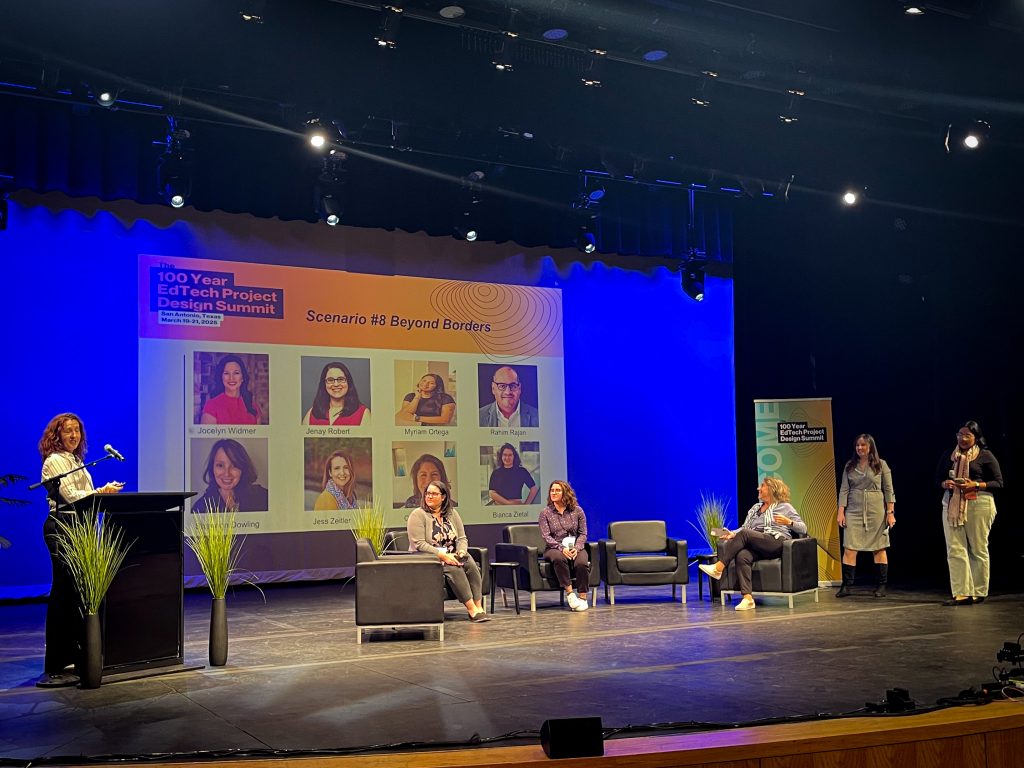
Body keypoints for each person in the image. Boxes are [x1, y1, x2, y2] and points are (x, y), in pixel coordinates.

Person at [37, 413, 123, 688]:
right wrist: (99, 493)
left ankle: (76, 653)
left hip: (81, 529)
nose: (73, 435)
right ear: (57, 435)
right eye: (68, 431)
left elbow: (85, 497)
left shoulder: (78, 462)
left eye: (77, 431)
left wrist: (101, 492)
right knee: (64, 590)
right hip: (62, 528)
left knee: (77, 592)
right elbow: (71, 498)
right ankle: (56, 662)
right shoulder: (54, 463)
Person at [700, 477, 807, 611]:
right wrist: (733, 533)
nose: (758, 489)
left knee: (745, 533)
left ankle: (719, 567)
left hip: (776, 542)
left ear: (772, 489)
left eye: (762, 486)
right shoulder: (755, 508)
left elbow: (803, 528)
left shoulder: (784, 507)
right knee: (742, 555)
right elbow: (745, 527)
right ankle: (748, 599)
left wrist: (789, 522)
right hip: (757, 543)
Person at [935, 420, 1003, 606]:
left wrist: (976, 484)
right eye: (959, 434)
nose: (962, 438)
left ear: (976, 437)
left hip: (978, 503)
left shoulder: (985, 455)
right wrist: (945, 484)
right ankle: (962, 592)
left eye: (967, 435)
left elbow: (999, 482)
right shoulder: (949, 455)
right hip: (952, 504)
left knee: (977, 548)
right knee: (955, 549)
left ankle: (979, 591)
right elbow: (937, 479)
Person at [406, 480, 488, 622]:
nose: (429, 496)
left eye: (434, 494)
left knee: (471, 565)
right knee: (453, 567)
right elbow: (419, 544)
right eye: (427, 493)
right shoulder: (417, 514)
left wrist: (461, 552)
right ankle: (471, 609)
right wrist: (442, 555)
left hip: (452, 553)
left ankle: (479, 606)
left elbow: (462, 538)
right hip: (429, 557)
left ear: (443, 497)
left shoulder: (452, 513)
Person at [836, 434, 895, 598]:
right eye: (857, 445)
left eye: (863, 445)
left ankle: (881, 585)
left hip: (876, 511)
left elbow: (889, 490)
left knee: (879, 547)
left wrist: (890, 513)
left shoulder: (881, 465)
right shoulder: (850, 465)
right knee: (850, 547)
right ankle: (847, 585)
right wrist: (841, 511)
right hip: (854, 510)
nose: (860, 448)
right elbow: (844, 489)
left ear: (870, 447)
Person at [538, 480, 590, 611]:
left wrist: (577, 548)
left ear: (565, 493)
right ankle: (570, 593)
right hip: (554, 547)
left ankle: (583, 597)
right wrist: (562, 548)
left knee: (582, 563)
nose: (553, 493)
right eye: (552, 490)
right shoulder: (545, 513)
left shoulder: (577, 511)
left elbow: (583, 533)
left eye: (557, 490)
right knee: (559, 558)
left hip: (575, 546)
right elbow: (546, 536)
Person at [195, 439, 269, 513]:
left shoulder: (263, 496)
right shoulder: (199, 508)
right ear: (212, 468)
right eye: (220, 465)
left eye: (234, 465)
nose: (227, 473)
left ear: (243, 468)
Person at [303, 362, 370, 426]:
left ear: (348, 382)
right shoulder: (311, 414)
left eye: (341, 379)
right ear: (324, 384)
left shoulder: (363, 413)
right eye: (330, 380)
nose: (336, 384)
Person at [201, 355, 261, 425]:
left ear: (242, 378)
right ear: (221, 377)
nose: (231, 378)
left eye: (236, 373)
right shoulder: (211, 406)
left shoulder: (253, 407)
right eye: (226, 373)